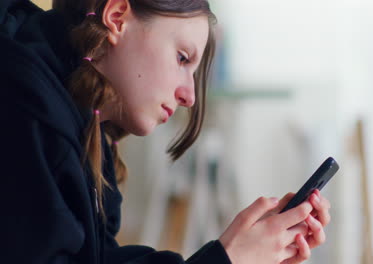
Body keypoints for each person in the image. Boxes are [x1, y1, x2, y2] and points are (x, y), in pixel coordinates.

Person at [0, 0, 332, 263]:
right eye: (182, 57)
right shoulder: (24, 110)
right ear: (117, 17)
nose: (189, 96)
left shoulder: (80, 118)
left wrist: (238, 255)